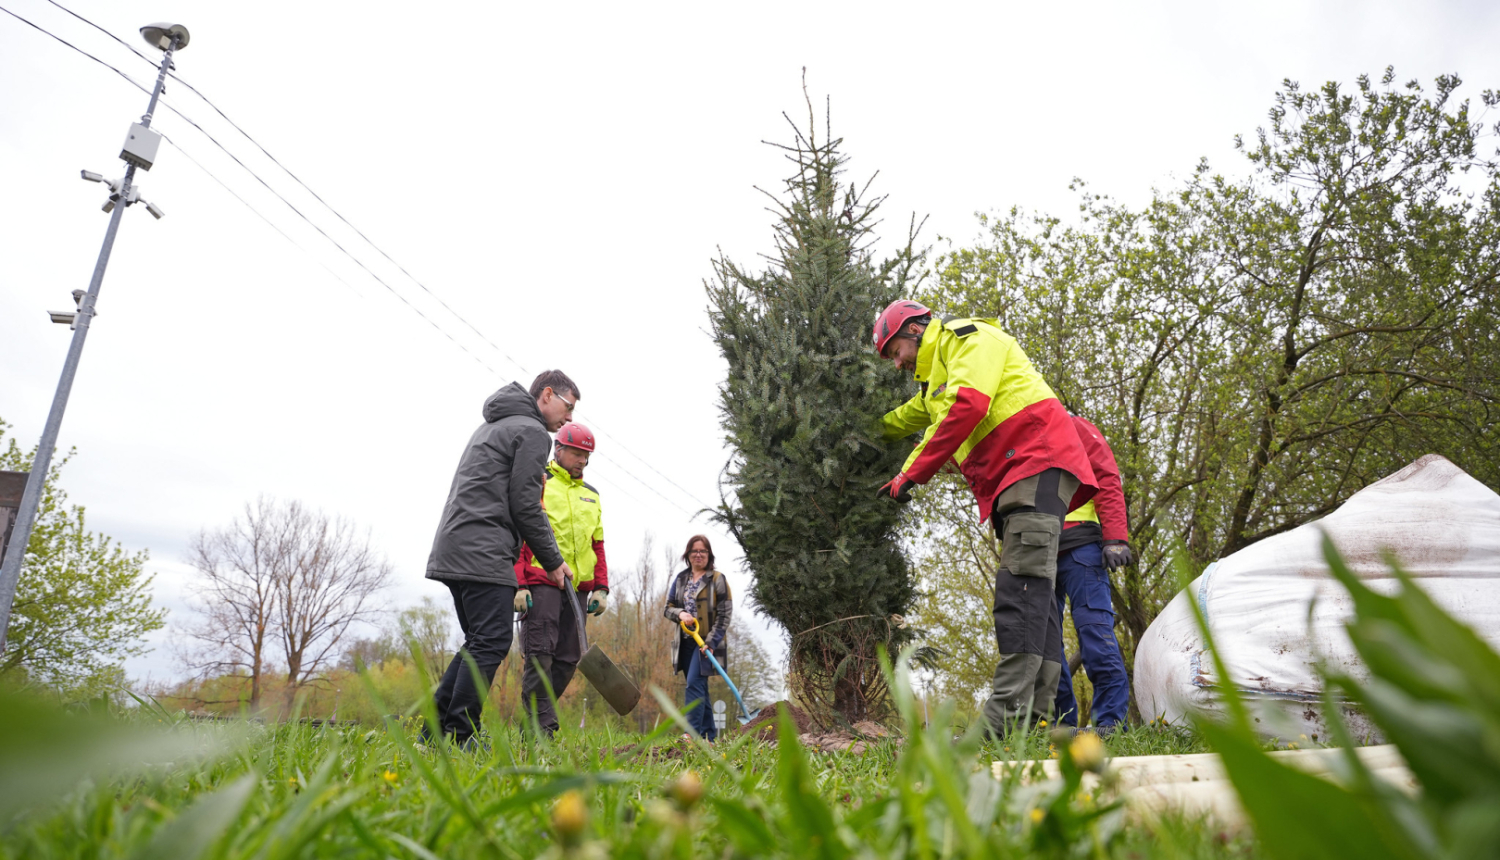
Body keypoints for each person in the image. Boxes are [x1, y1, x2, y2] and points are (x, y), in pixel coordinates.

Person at [872, 300, 1097, 735]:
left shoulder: (967, 339)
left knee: (1020, 589)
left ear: (915, 330)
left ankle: (1004, 721)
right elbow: (902, 419)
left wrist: (909, 474)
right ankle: (1037, 723)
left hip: (1035, 461)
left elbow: (967, 406)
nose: (896, 363)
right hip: (1021, 475)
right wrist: (863, 428)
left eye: (895, 351)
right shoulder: (937, 380)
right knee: (1037, 597)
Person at [424, 370, 580, 747]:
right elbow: (526, 506)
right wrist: (553, 561)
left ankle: (434, 733)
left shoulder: (494, 426)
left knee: (479, 641)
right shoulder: (532, 432)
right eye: (568, 406)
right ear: (547, 395)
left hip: (456, 546)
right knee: (491, 641)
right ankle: (461, 734)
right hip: (484, 548)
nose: (570, 418)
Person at [513, 421, 610, 738]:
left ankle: (534, 725)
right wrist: (519, 583)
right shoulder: (539, 480)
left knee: (569, 659)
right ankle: (543, 730)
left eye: (586, 455)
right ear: (559, 449)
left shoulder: (591, 495)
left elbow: (597, 544)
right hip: (542, 581)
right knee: (540, 655)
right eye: (576, 453)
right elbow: (522, 533)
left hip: (578, 589)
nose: (582, 460)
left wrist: (601, 587)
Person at [1053, 415, 1133, 731]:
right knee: (1043, 646)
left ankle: (1110, 725)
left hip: (1081, 546)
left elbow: (1106, 475)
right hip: (1035, 550)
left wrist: (1115, 538)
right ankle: (1058, 726)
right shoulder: (1018, 433)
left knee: (1095, 634)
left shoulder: (1073, 426)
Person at [663, 535, 732, 741]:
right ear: (688, 554)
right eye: (695, 551)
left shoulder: (717, 579)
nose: (699, 554)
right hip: (685, 641)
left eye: (703, 551)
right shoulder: (681, 579)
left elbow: (725, 615)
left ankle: (691, 734)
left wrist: (711, 642)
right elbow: (668, 608)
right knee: (699, 687)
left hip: (706, 644)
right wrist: (681, 614)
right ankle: (708, 737)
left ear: (709, 555)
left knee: (694, 683)